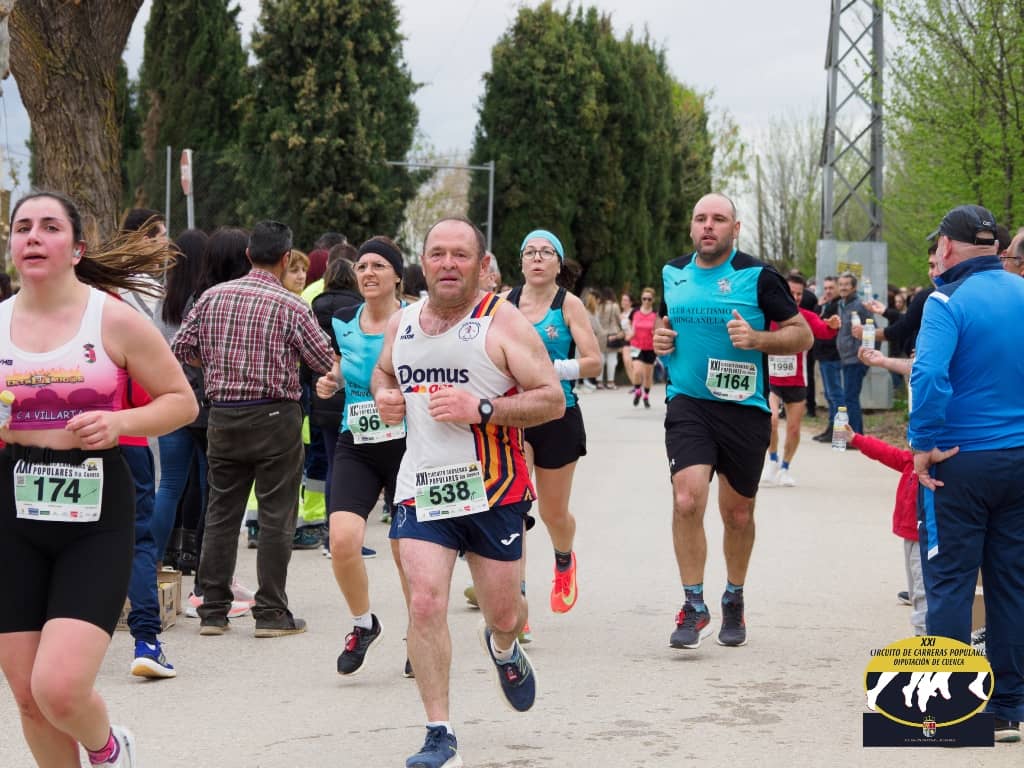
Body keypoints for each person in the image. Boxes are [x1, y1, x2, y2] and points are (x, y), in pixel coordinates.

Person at [0, 191, 197, 767]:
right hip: (12, 507)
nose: (33, 237)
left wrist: (119, 422)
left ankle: (108, 749)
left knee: (58, 688)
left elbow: (181, 402)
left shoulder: (111, 319)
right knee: (28, 698)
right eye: (22, 227)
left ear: (77, 249)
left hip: (94, 510)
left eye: (49, 227)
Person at [372, 216, 563, 768]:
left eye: (461, 255)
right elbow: (384, 375)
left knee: (503, 612)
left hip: (494, 489)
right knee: (425, 601)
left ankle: (504, 646)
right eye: (438, 254)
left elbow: (552, 399)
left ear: (482, 265)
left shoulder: (501, 322)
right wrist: (385, 396)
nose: (448, 264)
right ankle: (439, 733)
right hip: (422, 487)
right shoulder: (404, 322)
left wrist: (481, 408)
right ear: (423, 262)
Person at [653, 193, 811, 650]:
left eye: (718, 219)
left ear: (735, 229)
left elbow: (801, 335)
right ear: (691, 227)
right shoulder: (672, 273)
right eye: (700, 218)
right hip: (689, 404)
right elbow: (668, 324)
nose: (708, 226)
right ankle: (693, 604)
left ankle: (734, 597)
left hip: (744, 409)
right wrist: (662, 340)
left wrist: (758, 339)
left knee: (737, 513)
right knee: (686, 498)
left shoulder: (758, 276)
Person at [172, 220, 335, 638]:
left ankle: (212, 610)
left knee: (221, 513)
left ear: (248, 255)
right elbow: (321, 360)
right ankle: (271, 612)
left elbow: (181, 348)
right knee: (277, 515)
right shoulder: (291, 305)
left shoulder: (212, 297)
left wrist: (215, 365)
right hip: (276, 418)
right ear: (286, 257)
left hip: (223, 415)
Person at [909, 204, 1024, 743]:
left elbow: (929, 374)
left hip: (959, 461)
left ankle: (951, 711)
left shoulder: (945, 300)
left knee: (951, 584)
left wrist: (923, 443)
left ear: (947, 247)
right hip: (1019, 458)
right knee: (1011, 584)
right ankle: (1007, 709)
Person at [314, 236, 408, 677]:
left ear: (397, 276)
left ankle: (421, 631)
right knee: (343, 541)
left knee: (409, 550)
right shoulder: (343, 321)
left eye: (378, 266)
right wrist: (331, 381)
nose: (368, 273)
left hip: (408, 444)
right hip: (358, 441)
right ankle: (363, 623)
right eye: (362, 266)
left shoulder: (414, 321)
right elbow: (341, 366)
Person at [505, 229, 600, 616]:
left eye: (546, 252)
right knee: (514, 507)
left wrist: (552, 370)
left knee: (552, 513)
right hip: (514, 415)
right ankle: (516, 604)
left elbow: (593, 361)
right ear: (521, 262)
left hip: (558, 414)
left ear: (559, 264)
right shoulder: (504, 303)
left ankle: (564, 558)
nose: (537, 258)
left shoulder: (568, 305)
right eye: (530, 252)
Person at [760, 273, 839, 487]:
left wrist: (832, 326)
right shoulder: (768, 315)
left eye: (799, 294)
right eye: (791, 292)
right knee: (772, 421)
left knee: (794, 429)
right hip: (772, 380)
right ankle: (772, 460)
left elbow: (823, 331)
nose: (795, 297)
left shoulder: (805, 317)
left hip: (796, 381)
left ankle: (785, 468)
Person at [834, 272, 874, 436]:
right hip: (845, 358)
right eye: (840, 284)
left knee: (850, 398)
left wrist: (866, 356)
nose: (842, 287)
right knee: (849, 397)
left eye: (846, 285)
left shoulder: (860, 306)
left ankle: (856, 436)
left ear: (854, 287)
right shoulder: (841, 304)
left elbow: (873, 330)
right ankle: (854, 435)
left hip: (856, 360)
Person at [626, 287, 658, 407]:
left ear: (653, 300)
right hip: (636, 346)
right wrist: (630, 333)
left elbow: (658, 329)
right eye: (644, 298)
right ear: (641, 299)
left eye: (649, 299)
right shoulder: (635, 312)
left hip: (650, 347)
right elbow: (629, 324)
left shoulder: (655, 315)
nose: (646, 301)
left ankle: (646, 396)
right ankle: (638, 391)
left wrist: (655, 333)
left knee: (648, 375)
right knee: (637, 371)